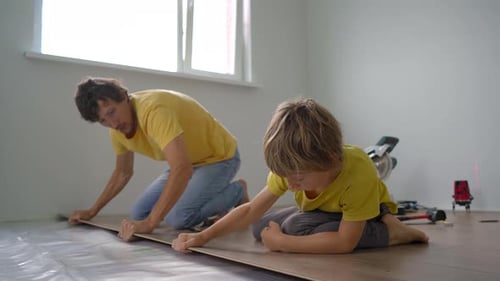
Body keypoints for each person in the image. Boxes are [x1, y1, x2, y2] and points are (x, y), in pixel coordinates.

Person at [172, 97, 428, 254]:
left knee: (294, 228)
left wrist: (283, 243)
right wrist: (203, 236)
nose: (292, 186)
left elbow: (344, 243)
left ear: (331, 160)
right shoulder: (292, 166)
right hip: (327, 210)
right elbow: (252, 210)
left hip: (369, 211)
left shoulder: (358, 171)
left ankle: (394, 233)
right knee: (260, 226)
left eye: (299, 178)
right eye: (286, 177)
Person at [69, 77, 249, 241]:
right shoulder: (117, 132)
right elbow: (123, 172)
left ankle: (237, 191)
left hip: (219, 157)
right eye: (103, 121)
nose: (113, 124)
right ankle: (209, 203)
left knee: (178, 218)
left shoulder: (154, 110)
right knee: (138, 213)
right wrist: (93, 211)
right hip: (188, 162)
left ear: (125, 96)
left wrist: (150, 223)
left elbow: (182, 169)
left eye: (112, 112)